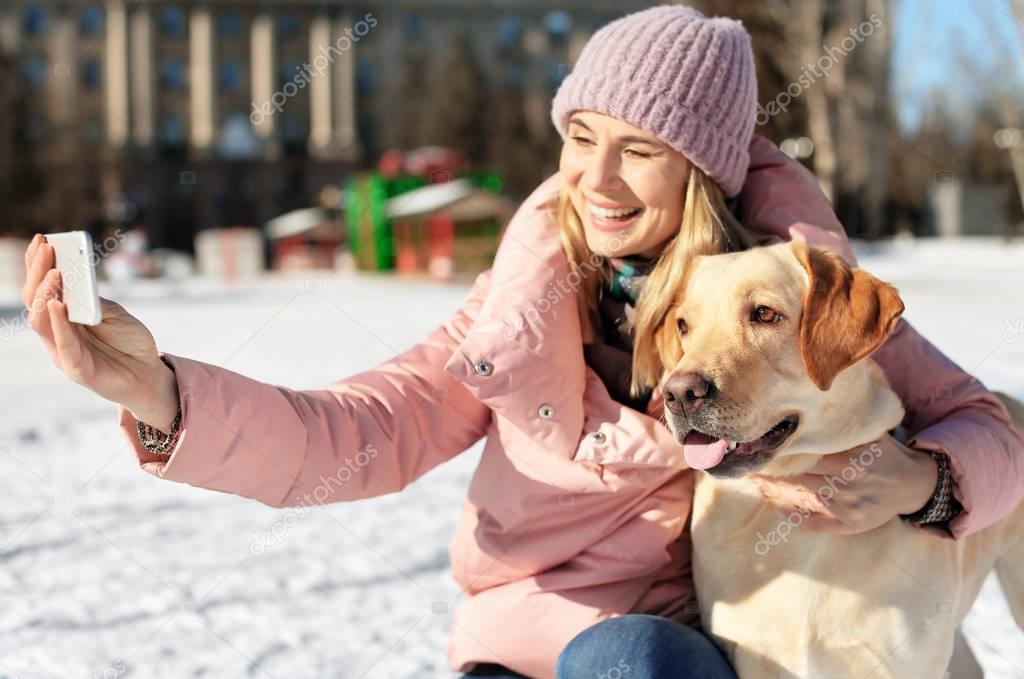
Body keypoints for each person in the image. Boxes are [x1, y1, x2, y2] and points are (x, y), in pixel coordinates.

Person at [22, 5, 1023, 679]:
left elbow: (992, 427)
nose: (598, 179)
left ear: (702, 175)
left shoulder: (788, 295)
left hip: (663, 648)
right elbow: (354, 432)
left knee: (634, 655)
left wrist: (925, 483)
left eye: (638, 151)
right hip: (525, 642)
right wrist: (164, 397)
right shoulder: (519, 307)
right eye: (580, 138)